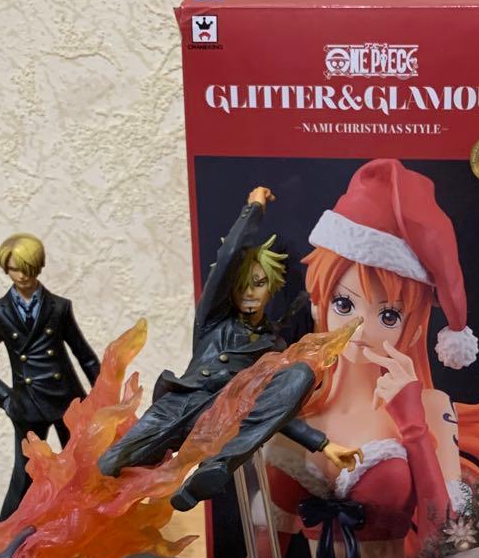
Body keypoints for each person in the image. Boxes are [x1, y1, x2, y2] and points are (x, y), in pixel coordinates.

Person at [264, 158, 479, 558]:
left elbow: (445, 543)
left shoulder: (430, 408)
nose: (361, 330)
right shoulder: (290, 404)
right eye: (344, 305)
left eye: (388, 315)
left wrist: (413, 426)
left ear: (415, 328)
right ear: (318, 301)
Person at [99, 186, 361, 503]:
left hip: (225, 420)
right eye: (241, 286)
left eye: (258, 283)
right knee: (107, 467)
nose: (249, 293)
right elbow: (227, 258)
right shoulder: (214, 319)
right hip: (180, 406)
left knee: (300, 373)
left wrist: (323, 444)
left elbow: (273, 408)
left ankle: (215, 468)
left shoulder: (274, 344)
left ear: (272, 286)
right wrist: (254, 209)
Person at [0, 232, 139, 558]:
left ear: (39, 266)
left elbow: (84, 355)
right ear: (6, 270)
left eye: (28, 268)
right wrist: (5, 398)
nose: (22, 276)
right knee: (22, 482)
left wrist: (104, 395)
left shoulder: (58, 307)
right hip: (27, 406)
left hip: (67, 401)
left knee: (87, 478)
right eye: (15, 269)